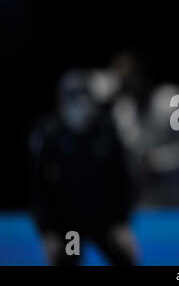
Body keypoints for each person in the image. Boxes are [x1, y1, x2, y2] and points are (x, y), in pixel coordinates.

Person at [29, 69, 137, 265]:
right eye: (72, 99)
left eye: (83, 98)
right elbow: (38, 189)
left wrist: (122, 223)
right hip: (68, 225)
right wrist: (47, 232)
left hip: (105, 222)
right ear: (61, 102)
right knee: (64, 260)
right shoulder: (50, 134)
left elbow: (123, 179)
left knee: (125, 256)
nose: (78, 106)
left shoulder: (106, 130)